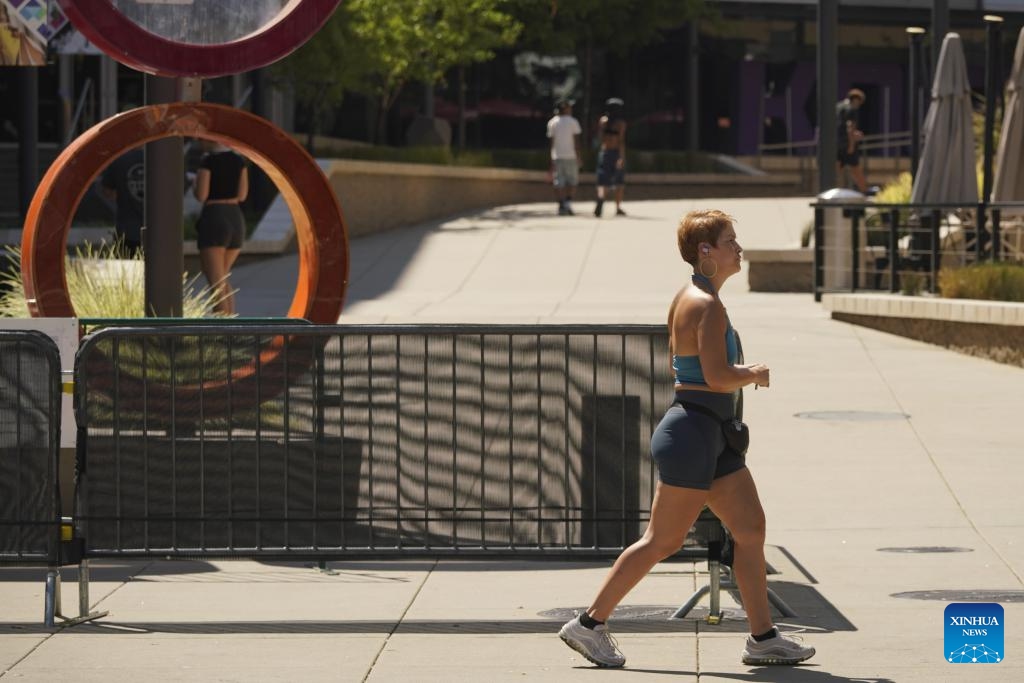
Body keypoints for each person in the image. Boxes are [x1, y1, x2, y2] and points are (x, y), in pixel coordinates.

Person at [558, 209, 816, 669]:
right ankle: (589, 624)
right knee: (662, 540)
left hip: (708, 434)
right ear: (705, 251)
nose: (739, 249)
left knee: (751, 529)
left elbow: (693, 367)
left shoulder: (694, 296)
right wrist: (752, 373)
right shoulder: (706, 305)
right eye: (730, 241)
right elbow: (716, 376)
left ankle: (762, 638)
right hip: (693, 435)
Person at [193, 140, 248, 315]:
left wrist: (194, 183)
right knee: (223, 280)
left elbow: (202, 195)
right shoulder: (239, 161)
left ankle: (222, 335)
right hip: (235, 218)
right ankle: (231, 330)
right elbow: (242, 195)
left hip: (215, 217)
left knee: (216, 286)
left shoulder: (208, 161)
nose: (198, 141)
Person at [99, 147, 145, 256]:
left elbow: (106, 189)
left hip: (126, 230)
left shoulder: (119, 159)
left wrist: (123, 196)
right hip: (156, 231)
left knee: (125, 269)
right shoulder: (161, 158)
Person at [546, 99, 582, 215]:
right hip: (571, 156)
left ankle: (562, 204)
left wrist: (551, 158)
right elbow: (576, 142)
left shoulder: (552, 122)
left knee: (558, 182)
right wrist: (579, 156)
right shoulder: (573, 122)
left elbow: (551, 143)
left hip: (557, 156)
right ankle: (567, 203)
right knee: (572, 181)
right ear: (566, 109)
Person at [594, 97, 627, 217]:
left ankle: (601, 198)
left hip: (604, 152)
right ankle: (617, 207)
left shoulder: (603, 121)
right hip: (615, 152)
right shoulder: (620, 124)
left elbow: (600, 137)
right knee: (619, 181)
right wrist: (621, 158)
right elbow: (621, 141)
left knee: (603, 180)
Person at [836, 88, 868, 193]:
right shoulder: (852, 109)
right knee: (856, 170)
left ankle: (834, 192)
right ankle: (864, 192)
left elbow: (841, 126)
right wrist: (851, 144)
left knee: (837, 170)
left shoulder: (839, 106)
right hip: (847, 144)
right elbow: (850, 127)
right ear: (856, 100)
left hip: (836, 143)